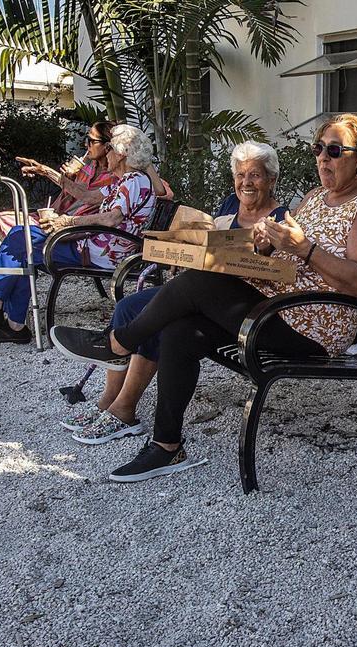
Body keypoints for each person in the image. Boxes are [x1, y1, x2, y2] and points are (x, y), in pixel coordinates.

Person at [51, 113, 357, 482]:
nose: (323, 158)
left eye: (334, 150)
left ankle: (116, 343)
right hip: (274, 306)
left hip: (311, 327)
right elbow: (286, 250)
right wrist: (266, 245)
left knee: (200, 282)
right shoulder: (315, 198)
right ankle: (167, 446)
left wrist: (304, 247)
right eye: (318, 149)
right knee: (181, 329)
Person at [62, 140, 290, 445]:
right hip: (201, 289)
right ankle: (109, 400)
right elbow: (207, 247)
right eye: (240, 175)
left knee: (166, 317)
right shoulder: (227, 208)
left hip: (236, 304)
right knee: (130, 307)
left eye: (255, 176)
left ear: (272, 179)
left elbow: (279, 274)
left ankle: (124, 408)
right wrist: (182, 251)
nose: (246, 183)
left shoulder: (281, 220)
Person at [0, 124, 158, 344]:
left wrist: (67, 222)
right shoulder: (125, 181)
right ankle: (11, 323)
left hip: (100, 254)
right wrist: (45, 171)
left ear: (122, 154)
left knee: (22, 237)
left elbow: (111, 218)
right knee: (23, 243)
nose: (107, 154)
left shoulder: (134, 181)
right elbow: (85, 195)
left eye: (110, 150)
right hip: (92, 246)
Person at [0, 121, 119, 308]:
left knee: (6, 228)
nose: (86, 145)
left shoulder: (115, 177)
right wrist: (67, 174)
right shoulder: (89, 167)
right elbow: (72, 191)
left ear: (108, 145)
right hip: (54, 218)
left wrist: (48, 172)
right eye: (86, 139)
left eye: (92, 141)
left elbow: (85, 196)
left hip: (69, 229)